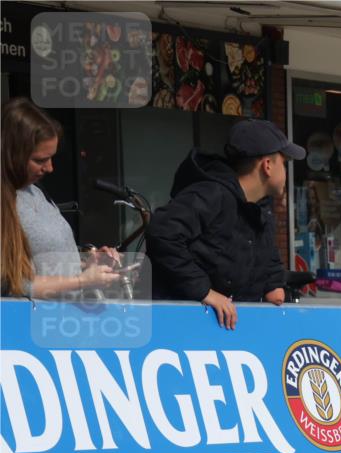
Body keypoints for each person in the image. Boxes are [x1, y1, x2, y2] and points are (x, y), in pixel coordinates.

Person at [146, 119, 304, 329]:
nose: (286, 172)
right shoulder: (212, 194)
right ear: (267, 165)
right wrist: (204, 292)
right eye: (283, 163)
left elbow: (267, 254)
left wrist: (273, 285)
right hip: (183, 327)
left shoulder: (260, 209)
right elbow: (162, 232)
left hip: (228, 332)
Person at [1, 97, 120, 298]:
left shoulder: (34, 192)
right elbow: (13, 286)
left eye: (51, 158)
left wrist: (86, 265)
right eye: (40, 160)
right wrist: (81, 281)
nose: (50, 168)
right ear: (11, 153)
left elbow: (44, 265)